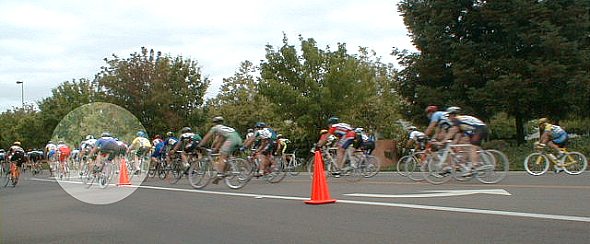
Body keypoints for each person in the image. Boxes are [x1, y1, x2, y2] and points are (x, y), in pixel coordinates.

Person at [443, 107, 490, 174]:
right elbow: (458, 136)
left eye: (448, 116)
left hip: (480, 129)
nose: (448, 119)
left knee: (472, 147)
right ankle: (471, 164)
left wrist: (442, 141)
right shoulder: (461, 121)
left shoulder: (457, 120)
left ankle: (474, 166)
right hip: (477, 130)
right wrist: (453, 144)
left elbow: (452, 132)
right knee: (466, 145)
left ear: (452, 115)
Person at [197, 116, 243, 183]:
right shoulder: (226, 128)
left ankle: (220, 174)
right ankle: (224, 172)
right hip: (239, 140)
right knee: (226, 157)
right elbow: (221, 140)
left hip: (231, 140)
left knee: (222, 155)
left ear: (214, 123)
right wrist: (215, 149)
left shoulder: (216, 128)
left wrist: (200, 145)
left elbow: (207, 137)